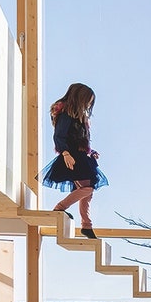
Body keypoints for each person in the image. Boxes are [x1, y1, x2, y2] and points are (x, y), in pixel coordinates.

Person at [41, 82, 107, 239]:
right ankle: (60, 208)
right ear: (79, 98)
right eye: (87, 100)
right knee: (88, 189)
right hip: (72, 157)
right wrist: (65, 153)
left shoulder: (80, 118)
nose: (89, 104)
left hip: (82, 156)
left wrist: (91, 152)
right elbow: (59, 136)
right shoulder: (66, 114)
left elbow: (81, 140)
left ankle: (86, 226)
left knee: (87, 193)